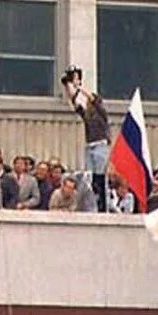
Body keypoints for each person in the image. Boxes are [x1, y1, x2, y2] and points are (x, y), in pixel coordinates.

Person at [62, 71, 109, 211]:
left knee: (99, 176)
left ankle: (102, 204)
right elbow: (75, 104)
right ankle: (92, 203)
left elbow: (93, 99)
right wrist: (68, 87)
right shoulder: (87, 116)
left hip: (100, 144)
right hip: (90, 146)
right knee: (89, 177)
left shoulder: (102, 114)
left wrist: (79, 86)